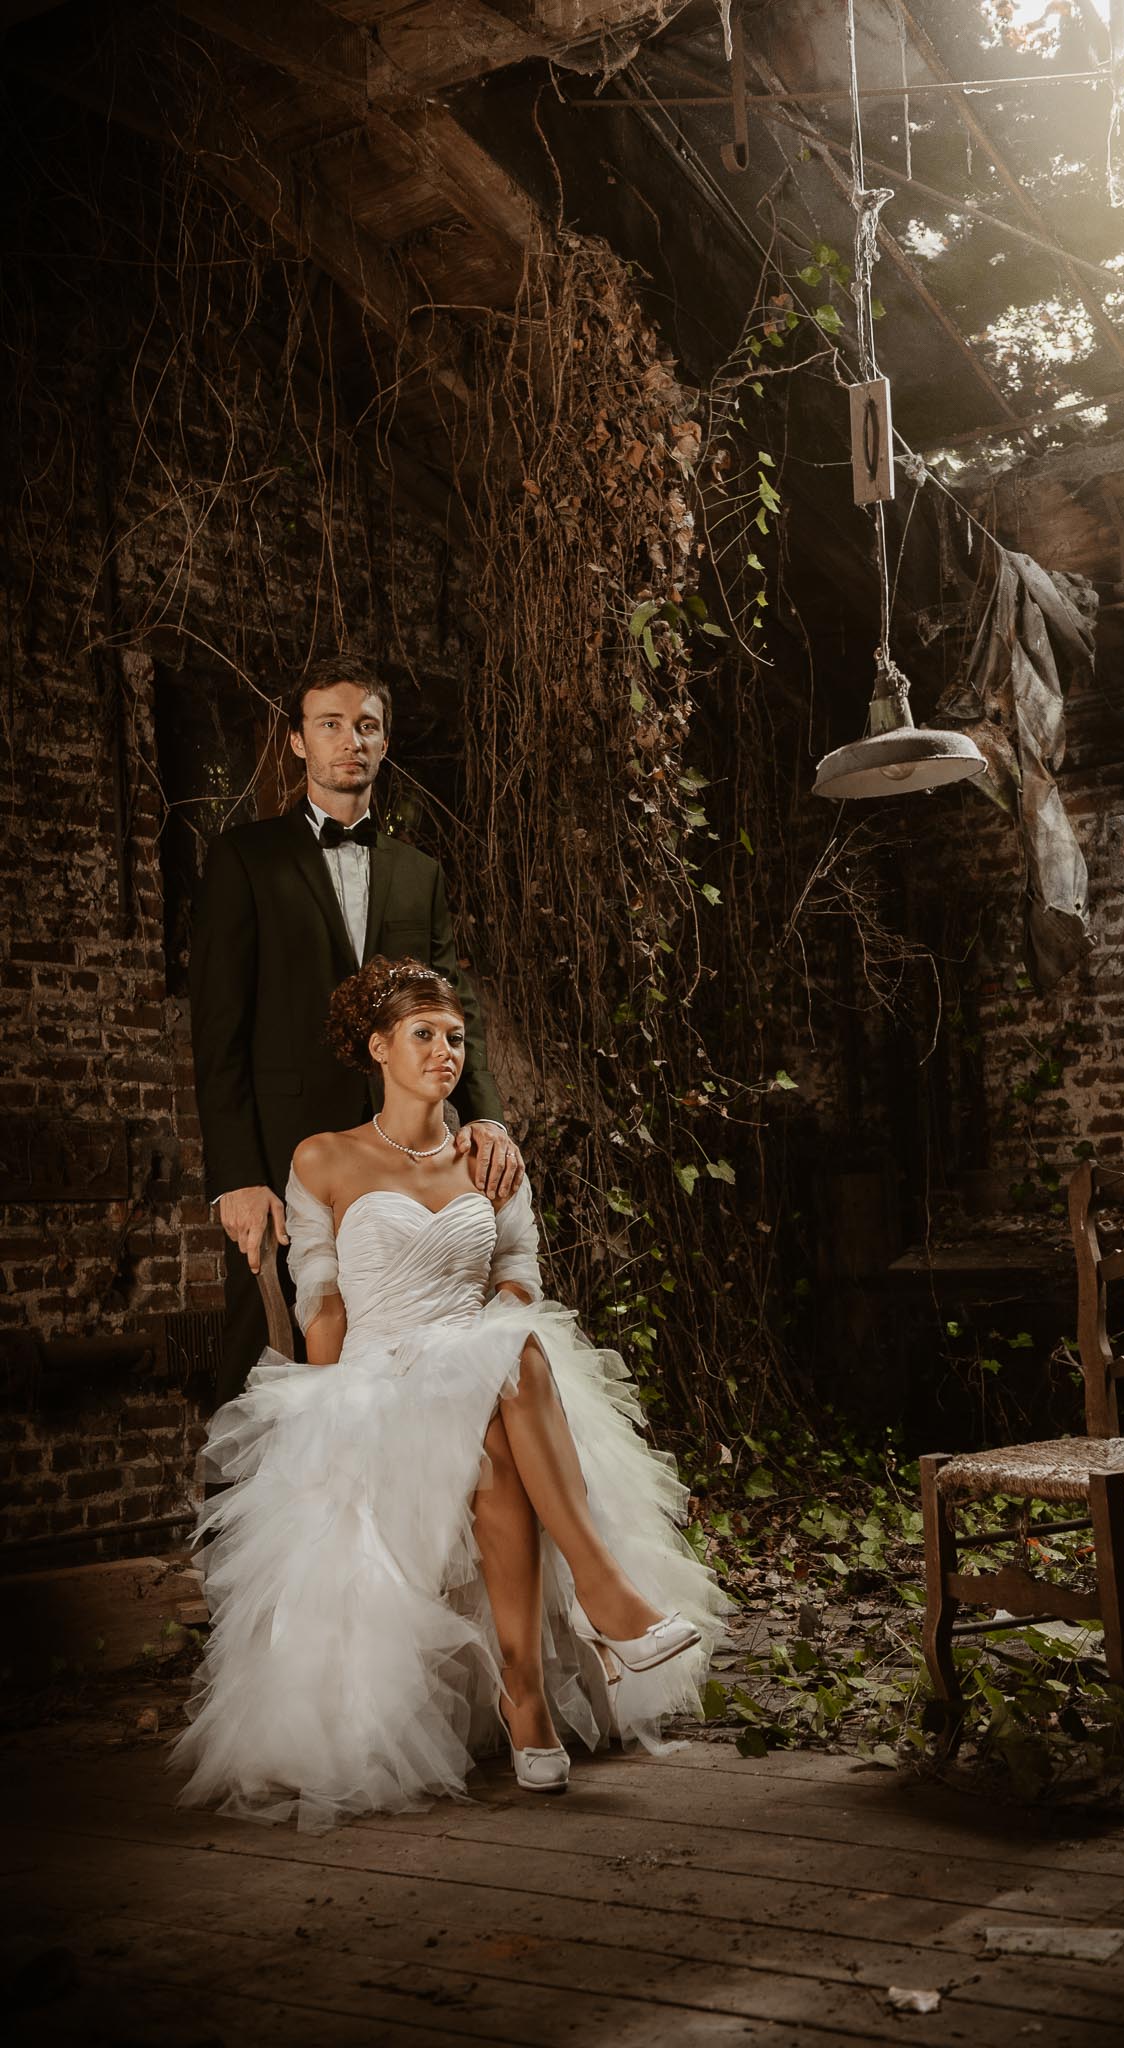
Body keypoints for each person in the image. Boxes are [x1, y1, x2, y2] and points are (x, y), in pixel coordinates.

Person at [172, 957, 726, 1828]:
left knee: (513, 1364)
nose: (445, 1051)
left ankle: (534, 1690)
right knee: (510, 1373)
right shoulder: (323, 1158)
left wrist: (472, 1338)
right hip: (378, 1380)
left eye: (456, 1037)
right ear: (377, 1048)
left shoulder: (489, 1158)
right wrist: (323, 1418)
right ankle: (585, 1617)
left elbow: (517, 1278)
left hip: (483, 1366)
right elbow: (321, 1305)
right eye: (423, 1035)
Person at [190, 655, 523, 1408]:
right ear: (298, 742)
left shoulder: (418, 872)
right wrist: (236, 1175)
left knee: (401, 1347)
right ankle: (259, 1528)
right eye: (331, 724)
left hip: (401, 1141)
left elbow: (449, 1002)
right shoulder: (243, 858)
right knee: (270, 1353)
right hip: (281, 1146)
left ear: (384, 741)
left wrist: (490, 1117)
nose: (351, 740)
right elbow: (218, 1029)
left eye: (366, 726)